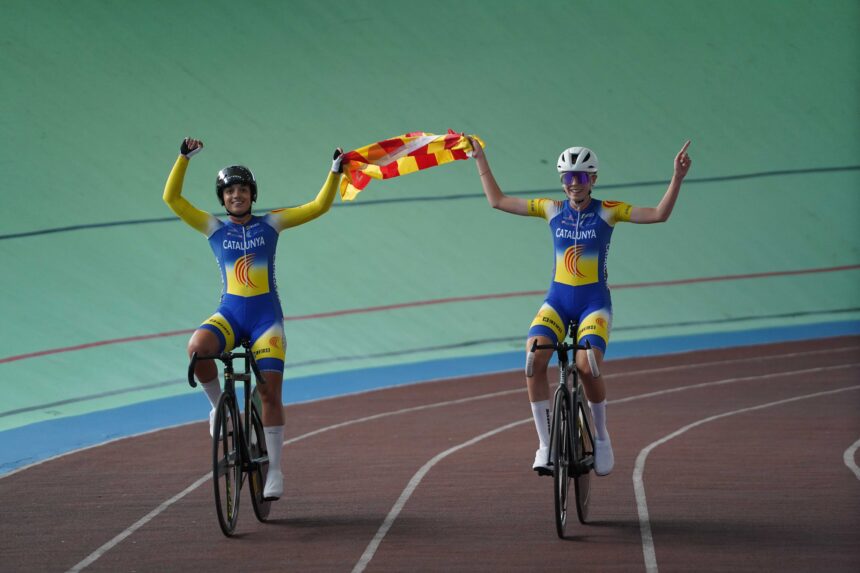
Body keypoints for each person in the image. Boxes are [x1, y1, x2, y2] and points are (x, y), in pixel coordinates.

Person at [468, 137, 692, 476]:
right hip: (557, 301)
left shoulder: (609, 210)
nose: (575, 184)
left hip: (593, 304)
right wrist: (480, 157)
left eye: (582, 177)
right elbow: (497, 200)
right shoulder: (550, 209)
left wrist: (676, 177)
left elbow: (658, 215)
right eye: (568, 177)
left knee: (588, 367)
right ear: (561, 180)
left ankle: (601, 438)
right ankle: (545, 445)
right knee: (532, 359)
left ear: (594, 180)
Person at [163, 137, 344, 499]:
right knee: (197, 349)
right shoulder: (214, 229)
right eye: (230, 192)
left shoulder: (271, 225)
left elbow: (319, 206)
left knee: (269, 392)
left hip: (265, 321)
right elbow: (173, 200)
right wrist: (183, 159)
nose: (236, 196)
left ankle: (275, 470)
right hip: (230, 314)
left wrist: (335, 171)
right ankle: (218, 408)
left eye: (243, 190)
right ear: (222, 198)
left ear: (252, 195)